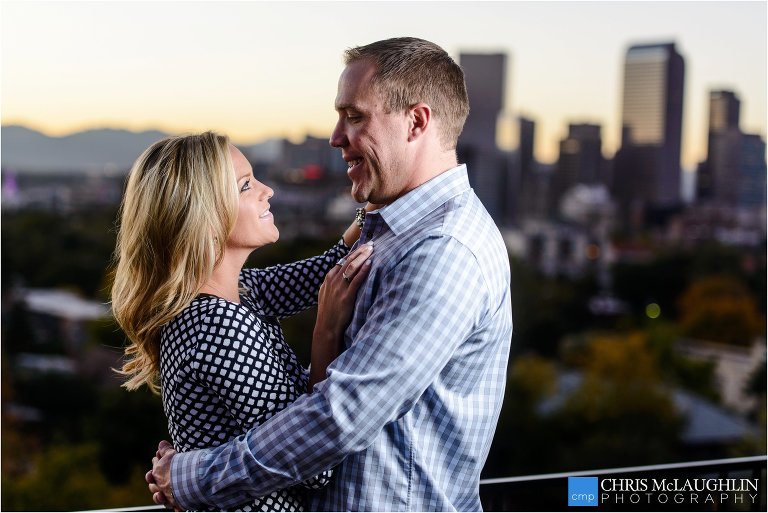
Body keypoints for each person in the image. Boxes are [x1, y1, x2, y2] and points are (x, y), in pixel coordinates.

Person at [148, 36, 513, 511]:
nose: (335, 137)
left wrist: (193, 477)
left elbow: (340, 417)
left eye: (355, 116)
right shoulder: (390, 233)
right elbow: (318, 289)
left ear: (417, 122)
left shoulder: (443, 252)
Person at [111, 131, 375, 511]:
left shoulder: (237, 293)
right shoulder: (216, 324)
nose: (268, 191)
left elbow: (329, 269)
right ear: (206, 215)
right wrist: (326, 332)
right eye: (246, 185)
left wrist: (378, 199)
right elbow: (311, 459)